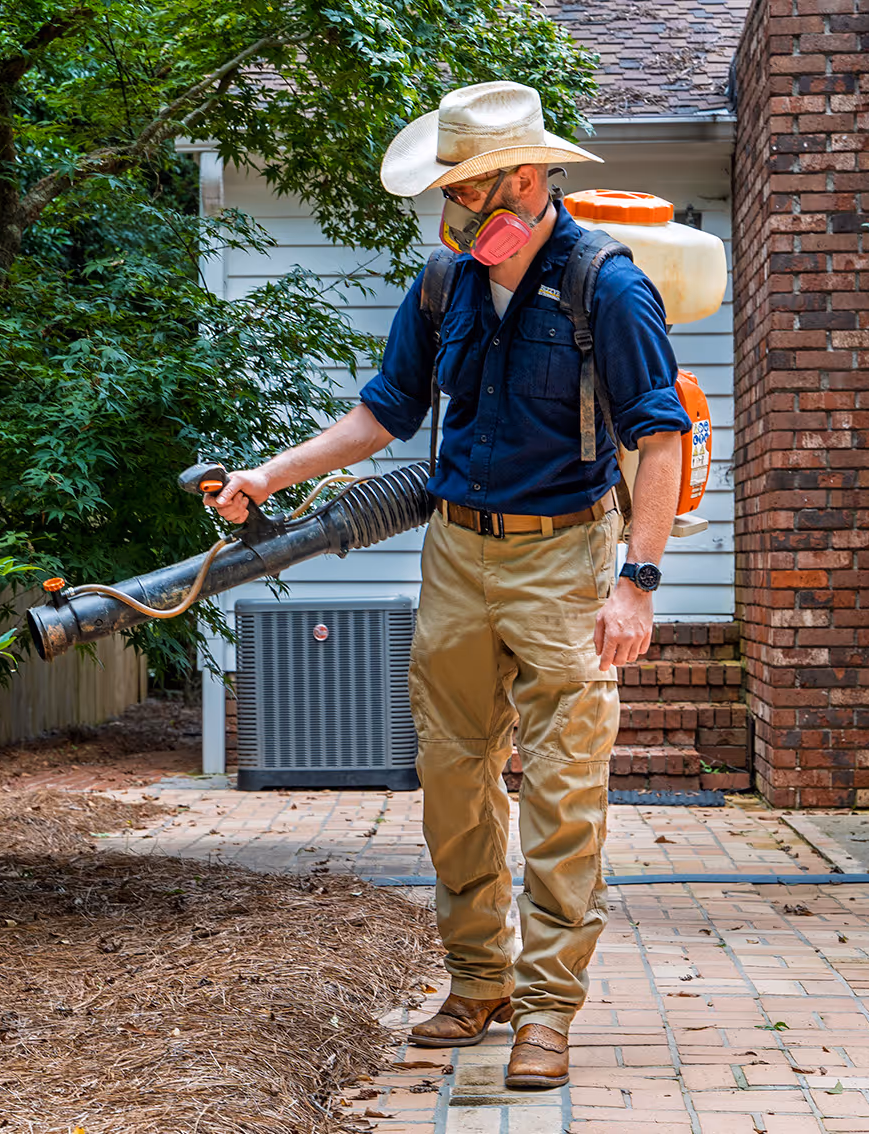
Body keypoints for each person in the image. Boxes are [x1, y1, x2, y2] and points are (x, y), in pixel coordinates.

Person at [205, 81, 690, 1089]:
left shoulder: (608, 285)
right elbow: (383, 414)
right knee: (454, 784)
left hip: (568, 561)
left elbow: (661, 435)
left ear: (520, 180)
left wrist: (636, 583)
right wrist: (269, 474)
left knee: (562, 796)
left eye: (461, 190)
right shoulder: (444, 285)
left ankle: (548, 1012)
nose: (448, 211)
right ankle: (480, 984)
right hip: (458, 558)